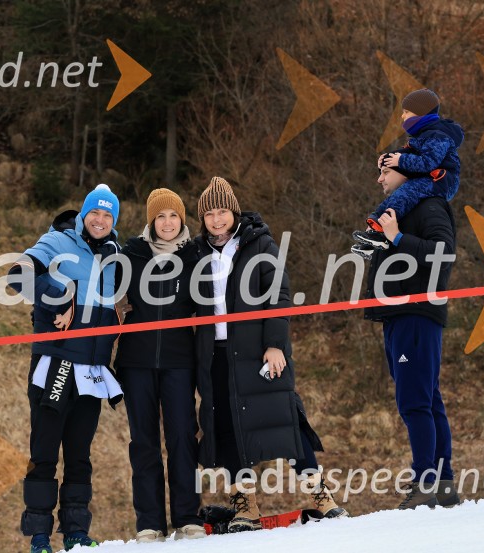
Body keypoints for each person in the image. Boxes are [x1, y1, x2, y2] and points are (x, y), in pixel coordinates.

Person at [193, 177, 347, 532]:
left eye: (222, 211)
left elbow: (279, 293)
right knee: (227, 428)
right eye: (209, 213)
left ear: (234, 211)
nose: (217, 220)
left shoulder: (259, 242)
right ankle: (245, 504)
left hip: (258, 350)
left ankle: (321, 495)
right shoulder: (197, 251)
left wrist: (275, 344)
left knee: (285, 419)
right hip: (215, 355)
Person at [9, 184, 124, 553]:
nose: (100, 220)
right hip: (56, 364)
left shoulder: (116, 255)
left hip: (92, 371)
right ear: (83, 214)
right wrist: (60, 294)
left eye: (108, 215)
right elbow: (17, 274)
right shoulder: (57, 241)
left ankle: (75, 531)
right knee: (44, 451)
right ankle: (39, 535)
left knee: (79, 453)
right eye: (95, 213)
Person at [363, 161, 460, 509]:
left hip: (416, 314)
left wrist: (398, 238)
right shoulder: (402, 210)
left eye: (386, 170)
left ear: (407, 174)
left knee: (415, 402)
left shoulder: (429, 204)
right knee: (427, 399)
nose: (380, 178)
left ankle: (425, 483)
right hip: (398, 314)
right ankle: (443, 482)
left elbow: (443, 254)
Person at [114, 189, 204, 543]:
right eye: (160, 217)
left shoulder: (194, 255)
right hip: (136, 363)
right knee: (144, 441)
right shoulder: (131, 254)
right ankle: (149, 523)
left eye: (173, 216)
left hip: (180, 362)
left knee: (182, 435)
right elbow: (109, 296)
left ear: (182, 220)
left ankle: (188, 517)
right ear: (151, 221)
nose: (167, 223)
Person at [353, 88, 464, 256]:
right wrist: (388, 157)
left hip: (441, 180)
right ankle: (375, 230)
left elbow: (427, 162)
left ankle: (380, 231)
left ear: (421, 114)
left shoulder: (438, 137)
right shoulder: (424, 135)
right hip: (428, 178)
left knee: (406, 193)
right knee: (397, 198)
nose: (402, 116)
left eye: (406, 112)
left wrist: (400, 160)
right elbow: (411, 152)